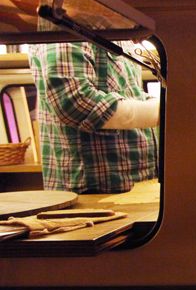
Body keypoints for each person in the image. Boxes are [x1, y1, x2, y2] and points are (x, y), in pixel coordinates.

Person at [27, 41, 158, 193]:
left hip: (130, 181)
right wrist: (158, 111)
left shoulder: (118, 35)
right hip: (92, 188)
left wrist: (164, 106)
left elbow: (130, 93)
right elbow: (73, 100)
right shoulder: (68, 27)